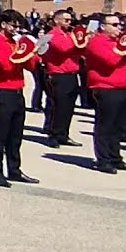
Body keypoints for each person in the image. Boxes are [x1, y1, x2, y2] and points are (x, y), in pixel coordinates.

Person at [0, 9, 40, 187]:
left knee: (16, 135)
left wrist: (34, 53)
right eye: (13, 25)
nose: (15, 29)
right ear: (3, 25)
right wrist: (23, 53)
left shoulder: (15, 42)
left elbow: (29, 65)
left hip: (18, 91)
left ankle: (14, 169)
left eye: (18, 26)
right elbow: (6, 65)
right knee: (0, 135)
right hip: (1, 91)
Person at [83, 14, 126, 173]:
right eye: (115, 24)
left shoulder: (118, 42)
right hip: (106, 88)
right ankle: (103, 160)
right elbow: (111, 60)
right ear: (103, 26)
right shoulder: (97, 42)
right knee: (106, 126)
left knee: (119, 127)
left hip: (124, 88)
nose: (119, 28)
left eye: (120, 24)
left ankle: (115, 157)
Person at [40, 9, 85, 148]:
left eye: (70, 20)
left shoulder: (68, 34)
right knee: (57, 106)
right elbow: (64, 49)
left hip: (71, 74)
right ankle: (52, 134)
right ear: (57, 20)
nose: (69, 22)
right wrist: (78, 38)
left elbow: (79, 50)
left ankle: (63, 134)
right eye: (66, 20)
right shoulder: (53, 35)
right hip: (58, 75)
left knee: (68, 107)